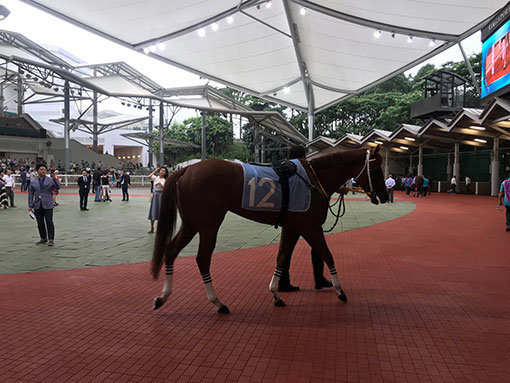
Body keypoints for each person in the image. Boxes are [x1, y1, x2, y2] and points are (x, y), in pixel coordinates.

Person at [278, 145, 333, 292]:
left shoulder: (286, 170)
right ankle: (319, 279)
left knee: (287, 250)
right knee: (317, 246)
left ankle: (283, 281)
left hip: (290, 215)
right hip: (302, 216)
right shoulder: (303, 170)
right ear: (302, 157)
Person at [28, 164, 60, 246]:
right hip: (37, 204)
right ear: (37, 171)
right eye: (41, 169)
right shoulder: (33, 181)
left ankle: (51, 239)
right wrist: (30, 205)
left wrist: (55, 179)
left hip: (48, 204)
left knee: (49, 221)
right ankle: (43, 237)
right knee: (40, 222)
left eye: (45, 169)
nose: (43, 171)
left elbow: (57, 187)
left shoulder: (50, 180)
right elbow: (30, 194)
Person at [147, 167, 168, 234]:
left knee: (160, 211)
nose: (162, 171)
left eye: (163, 171)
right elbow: (149, 176)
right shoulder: (156, 177)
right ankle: (152, 227)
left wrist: (160, 184)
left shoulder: (165, 180)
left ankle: (161, 228)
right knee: (153, 210)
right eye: (161, 170)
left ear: (165, 173)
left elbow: (165, 188)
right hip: (155, 195)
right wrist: (155, 170)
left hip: (161, 195)